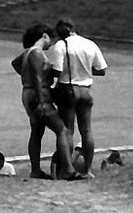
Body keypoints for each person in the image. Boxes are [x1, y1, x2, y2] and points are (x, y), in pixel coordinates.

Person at [46, 18, 109, 177]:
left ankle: (67, 169)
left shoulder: (61, 45)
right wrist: (86, 70)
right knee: (86, 130)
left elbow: (57, 72)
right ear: (74, 28)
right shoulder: (89, 44)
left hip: (69, 89)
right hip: (86, 90)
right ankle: (88, 169)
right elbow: (102, 70)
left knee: (67, 131)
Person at [17, 23, 75, 180]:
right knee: (62, 130)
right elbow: (37, 76)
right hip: (38, 94)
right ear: (44, 36)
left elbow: (16, 64)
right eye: (51, 38)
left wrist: (25, 76)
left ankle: (35, 170)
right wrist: (42, 100)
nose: (52, 43)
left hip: (27, 93)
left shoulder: (27, 53)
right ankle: (68, 169)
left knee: (36, 131)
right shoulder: (37, 53)